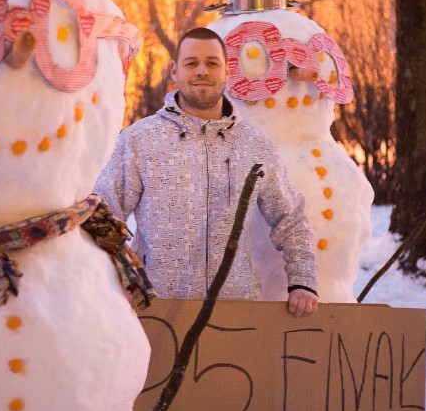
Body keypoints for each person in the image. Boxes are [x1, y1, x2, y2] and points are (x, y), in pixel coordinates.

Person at [95, 27, 318, 317]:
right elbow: (103, 218)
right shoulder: (140, 140)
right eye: (191, 63)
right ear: (175, 71)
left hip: (234, 311)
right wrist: (118, 281)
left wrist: (304, 282)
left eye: (212, 63)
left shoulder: (255, 145)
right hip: (154, 308)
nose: (202, 71)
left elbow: (291, 217)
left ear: (227, 71)